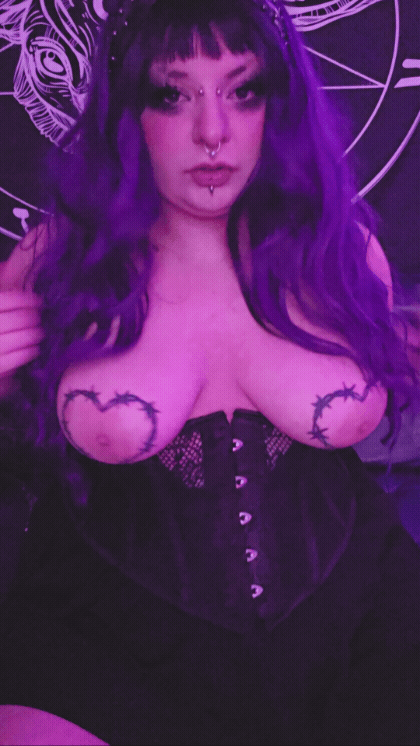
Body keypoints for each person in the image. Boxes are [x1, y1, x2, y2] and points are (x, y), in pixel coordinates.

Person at [1, 1, 420, 744]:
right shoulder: (58, 257)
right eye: (172, 94)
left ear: (275, 103)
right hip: (103, 628)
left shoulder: (338, 248)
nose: (212, 132)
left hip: (356, 615)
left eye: (242, 90)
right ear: (129, 111)